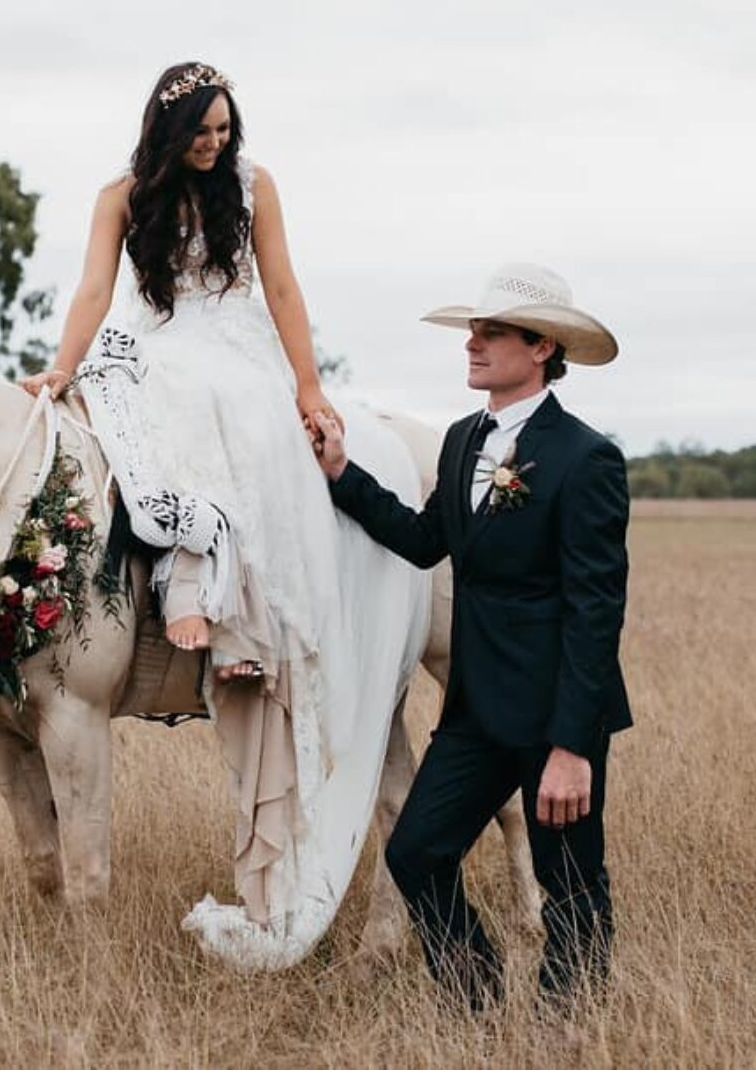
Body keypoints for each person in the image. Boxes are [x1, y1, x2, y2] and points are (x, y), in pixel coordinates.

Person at [18, 62, 421, 966]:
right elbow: (92, 292)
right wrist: (59, 364)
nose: (217, 143)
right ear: (168, 130)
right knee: (119, 416)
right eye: (202, 131)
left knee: (237, 424)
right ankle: (171, 578)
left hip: (234, 353)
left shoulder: (253, 185)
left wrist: (309, 387)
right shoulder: (121, 197)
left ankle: (233, 605)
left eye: (226, 129)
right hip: (152, 344)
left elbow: (282, 289)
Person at [308, 264, 630, 1009]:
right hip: (476, 710)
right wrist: (341, 474)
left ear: (542, 346)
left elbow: (595, 612)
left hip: (555, 714)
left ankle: (566, 1027)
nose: (473, 345)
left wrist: (573, 748)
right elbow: (424, 541)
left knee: (571, 882)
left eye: (490, 333)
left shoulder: (588, 459)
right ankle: (475, 999)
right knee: (416, 851)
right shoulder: (462, 441)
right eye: (472, 331)